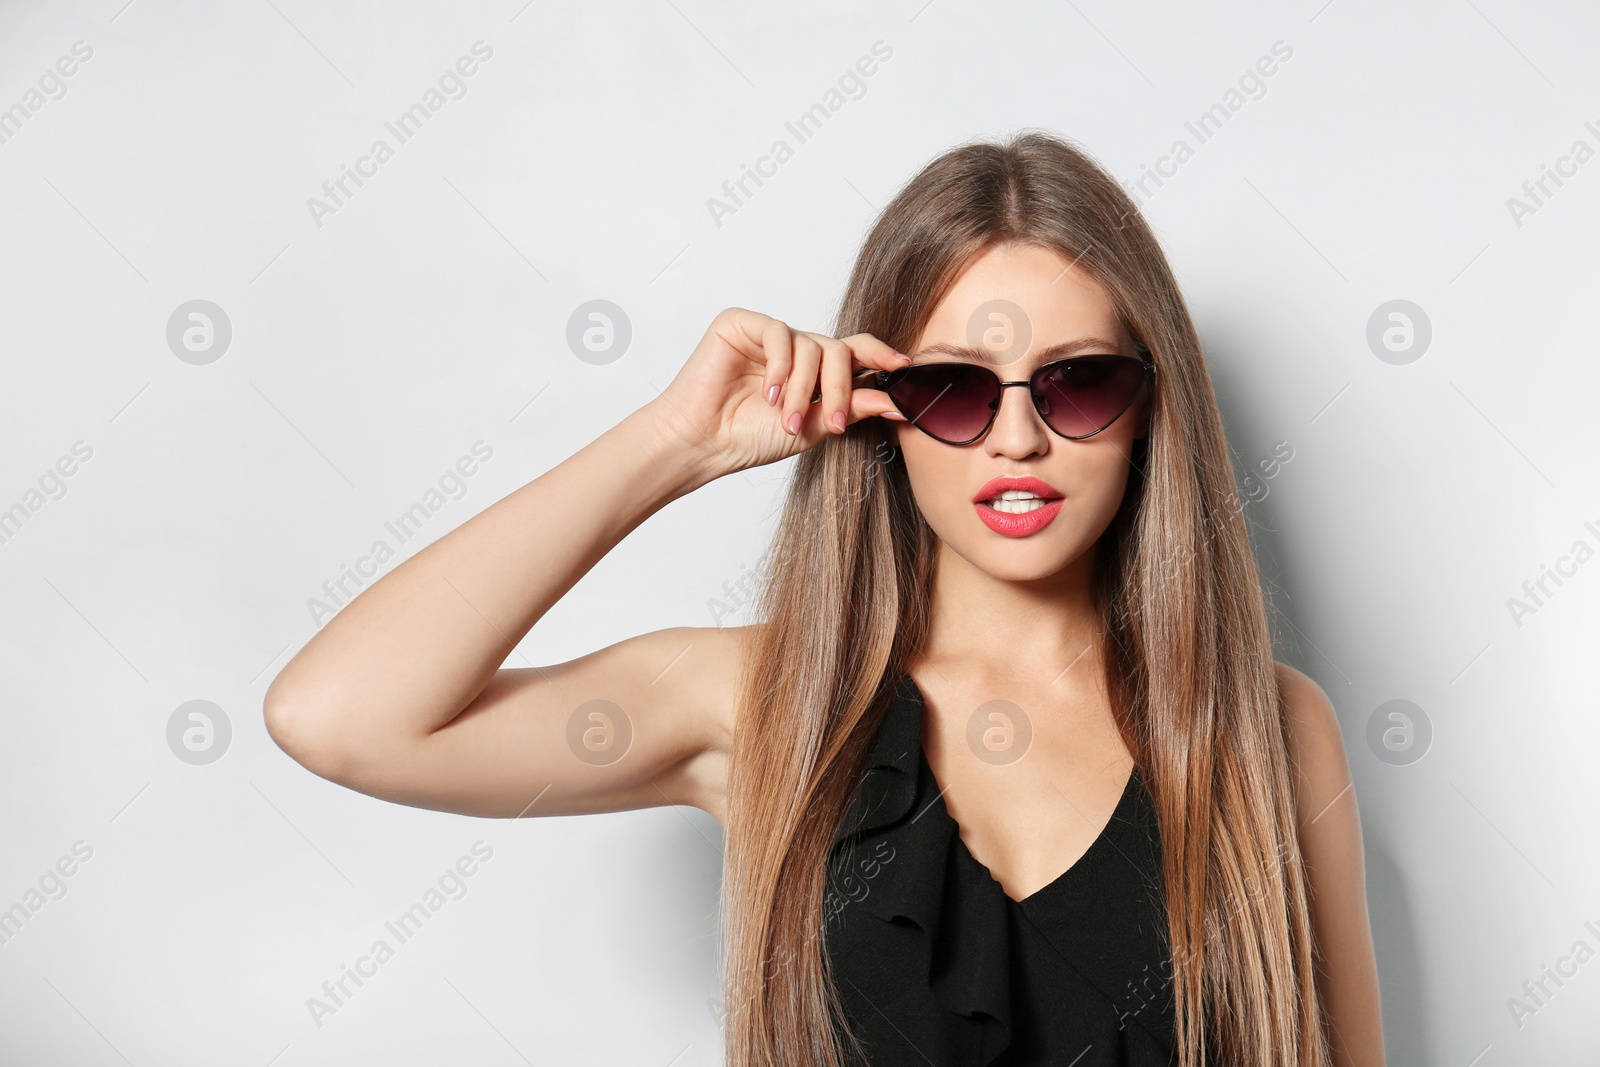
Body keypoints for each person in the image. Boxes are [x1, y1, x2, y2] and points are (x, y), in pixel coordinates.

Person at [264, 130, 1385, 1067]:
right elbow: (342, 717)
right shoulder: (769, 701)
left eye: (1077, 380)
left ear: (1150, 409)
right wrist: (674, 442)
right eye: (950, 388)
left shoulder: (1268, 730)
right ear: (884, 410)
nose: (1016, 437)